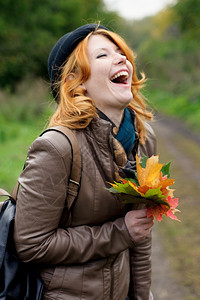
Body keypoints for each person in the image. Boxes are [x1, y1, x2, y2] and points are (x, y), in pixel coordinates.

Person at [14, 23, 156, 300]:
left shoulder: (143, 138)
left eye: (121, 52)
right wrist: (120, 232)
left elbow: (140, 235)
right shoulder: (56, 148)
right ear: (76, 82)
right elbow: (31, 245)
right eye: (103, 55)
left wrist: (142, 296)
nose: (121, 58)